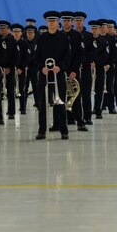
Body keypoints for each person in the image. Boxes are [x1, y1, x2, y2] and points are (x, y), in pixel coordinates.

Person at [34, 11, 72, 140]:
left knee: (60, 103)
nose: (51, 23)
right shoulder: (41, 38)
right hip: (44, 74)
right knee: (42, 104)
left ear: (57, 23)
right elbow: (37, 57)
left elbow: (67, 57)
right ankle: (42, 131)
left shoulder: (63, 38)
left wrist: (60, 67)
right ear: (47, 22)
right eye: (49, 21)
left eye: (54, 21)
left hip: (58, 74)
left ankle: (64, 130)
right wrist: (41, 67)